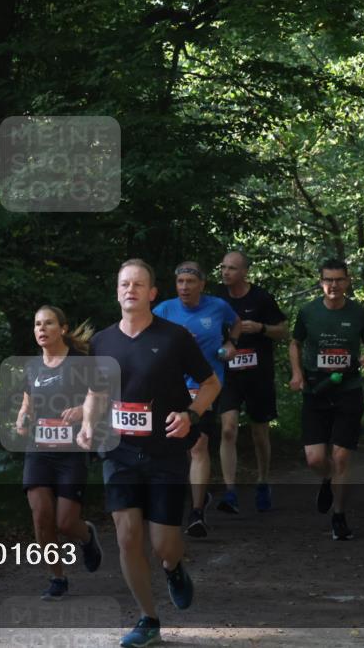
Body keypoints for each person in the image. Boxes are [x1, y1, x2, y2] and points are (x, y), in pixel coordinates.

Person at [76, 259, 219, 648]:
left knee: (162, 545)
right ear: (117, 290)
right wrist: (89, 424)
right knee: (126, 537)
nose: (130, 290)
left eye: (139, 284)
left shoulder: (175, 337)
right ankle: (148, 618)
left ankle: (174, 568)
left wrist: (191, 415)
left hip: (165, 452)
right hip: (119, 451)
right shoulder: (102, 342)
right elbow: (95, 393)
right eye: (124, 284)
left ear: (153, 293)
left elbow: (210, 383)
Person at [14, 305, 103, 600]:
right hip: (39, 450)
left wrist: (82, 411)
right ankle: (57, 578)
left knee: (66, 523)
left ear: (62, 329)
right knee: (41, 516)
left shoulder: (81, 363)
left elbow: (98, 397)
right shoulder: (32, 367)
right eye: (37, 324)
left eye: (48, 323)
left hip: (71, 451)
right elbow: (28, 403)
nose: (41, 329)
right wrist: (22, 418)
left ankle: (86, 535)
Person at [288, 258, 364, 541]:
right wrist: (297, 373)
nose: (334, 285)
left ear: (347, 281)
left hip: (348, 389)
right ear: (321, 282)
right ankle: (326, 479)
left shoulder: (359, 314)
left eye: (339, 279)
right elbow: (295, 342)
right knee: (315, 460)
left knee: (341, 457)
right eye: (328, 280)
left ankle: (339, 516)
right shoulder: (308, 312)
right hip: (316, 390)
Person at [152, 261, 240, 538]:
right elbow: (145, 336)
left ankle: (197, 513)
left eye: (190, 282)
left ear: (202, 285)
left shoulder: (217, 307)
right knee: (172, 447)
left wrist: (231, 344)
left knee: (198, 446)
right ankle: (173, 501)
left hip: (204, 387)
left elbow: (235, 324)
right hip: (169, 387)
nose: (184, 287)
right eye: (180, 283)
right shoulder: (164, 310)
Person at [217, 250, 288, 512]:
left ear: (245, 272)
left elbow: (283, 331)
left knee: (259, 433)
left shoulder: (261, 297)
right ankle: (230, 492)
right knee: (228, 428)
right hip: (228, 375)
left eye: (232, 268)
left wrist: (260, 328)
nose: (226, 272)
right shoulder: (216, 299)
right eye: (223, 267)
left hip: (258, 374)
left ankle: (262, 481)